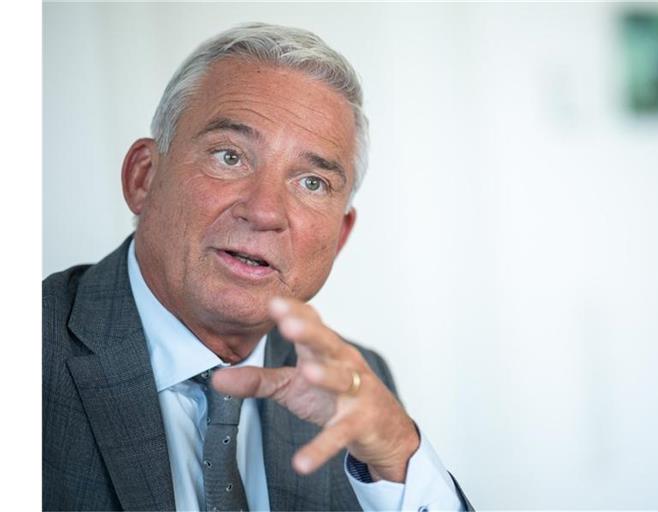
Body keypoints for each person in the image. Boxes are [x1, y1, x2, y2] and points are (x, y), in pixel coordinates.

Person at [43, 22, 472, 511]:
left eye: (312, 183)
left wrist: (398, 453)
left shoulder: (354, 385)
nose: (265, 211)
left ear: (340, 237)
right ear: (143, 177)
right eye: (230, 157)